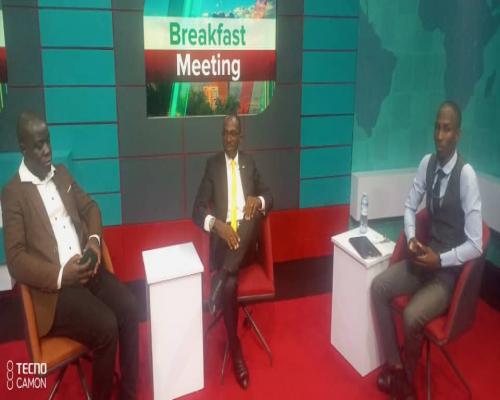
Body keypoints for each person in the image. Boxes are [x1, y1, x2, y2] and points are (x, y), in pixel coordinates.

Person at [2, 111, 139, 400]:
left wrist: (92, 243)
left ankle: (128, 394)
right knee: (106, 326)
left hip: (88, 268)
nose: (47, 150)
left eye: (48, 141)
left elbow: (91, 208)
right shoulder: (13, 194)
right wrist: (63, 275)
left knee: (129, 306)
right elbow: (15, 259)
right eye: (38, 145)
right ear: (23, 148)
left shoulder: (62, 173)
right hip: (57, 290)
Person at [371, 101, 482, 399]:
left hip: (446, 274)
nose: (439, 135)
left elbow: (476, 244)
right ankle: (396, 366)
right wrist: (410, 239)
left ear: (457, 135)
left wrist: (441, 259)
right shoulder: (427, 164)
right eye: (437, 127)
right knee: (379, 287)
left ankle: (408, 384)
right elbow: (410, 207)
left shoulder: (467, 175)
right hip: (424, 259)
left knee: (410, 316)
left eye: (447, 129)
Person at [192, 114, 273, 389]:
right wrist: (218, 226)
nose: (228, 139)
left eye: (233, 134)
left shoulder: (250, 164)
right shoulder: (212, 165)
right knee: (229, 287)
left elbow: (269, 198)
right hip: (225, 246)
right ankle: (235, 348)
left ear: (241, 136)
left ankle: (225, 272)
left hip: (247, 247)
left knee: (252, 212)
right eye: (225, 133)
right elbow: (197, 210)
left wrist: (258, 200)